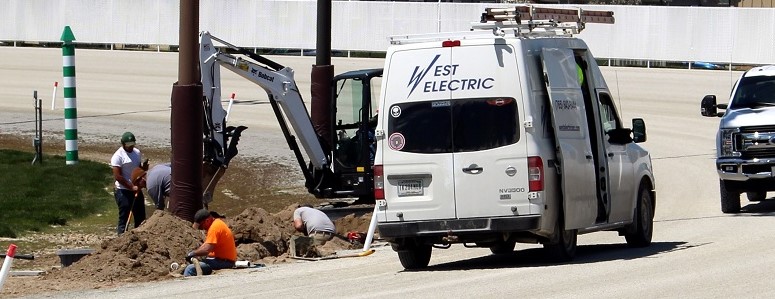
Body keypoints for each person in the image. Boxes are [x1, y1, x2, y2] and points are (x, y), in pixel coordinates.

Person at [111, 132, 146, 235]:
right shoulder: (118, 156)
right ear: (123, 144)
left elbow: (138, 170)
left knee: (140, 217)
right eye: (128, 145)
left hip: (136, 189)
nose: (130, 147)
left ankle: (139, 236)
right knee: (125, 217)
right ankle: (121, 237)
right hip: (123, 190)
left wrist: (143, 171)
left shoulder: (137, 153)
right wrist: (131, 187)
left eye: (132, 144)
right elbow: (118, 176)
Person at [184, 209, 237, 277]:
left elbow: (206, 249)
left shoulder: (214, 228)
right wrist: (195, 253)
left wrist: (193, 253)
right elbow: (206, 244)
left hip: (224, 262)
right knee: (191, 266)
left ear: (207, 221)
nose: (202, 228)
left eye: (201, 226)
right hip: (222, 260)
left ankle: (190, 286)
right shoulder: (216, 223)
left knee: (190, 269)